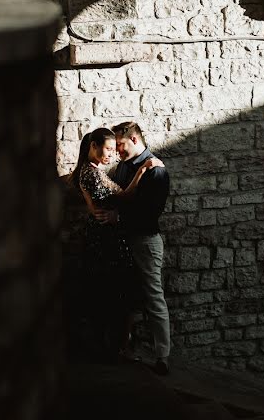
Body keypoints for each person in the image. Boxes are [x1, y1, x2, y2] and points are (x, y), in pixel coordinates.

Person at [71, 127, 163, 363]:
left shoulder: (91, 171)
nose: (112, 154)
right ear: (93, 146)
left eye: (115, 149)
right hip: (105, 242)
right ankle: (117, 349)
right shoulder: (91, 173)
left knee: (112, 292)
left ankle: (115, 347)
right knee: (118, 293)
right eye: (109, 149)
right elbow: (122, 197)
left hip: (103, 238)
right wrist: (142, 171)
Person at [110, 121, 172, 376]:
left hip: (146, 241)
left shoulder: (157, 171)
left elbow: (150, 213)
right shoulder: (124, 167)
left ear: (134, 139)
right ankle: (126, 348)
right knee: (126, 294)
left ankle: (162, 356)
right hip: (125, 240)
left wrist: (119, 218)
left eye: (120, 145)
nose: (117, 152)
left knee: (153, 295)